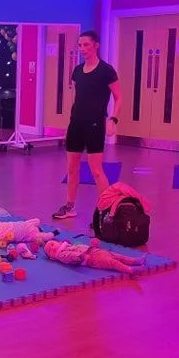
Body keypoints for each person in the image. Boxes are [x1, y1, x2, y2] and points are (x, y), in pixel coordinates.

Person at [52, 30, 122, 219]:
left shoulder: (106, 71)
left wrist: (113, 119)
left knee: (96, 170)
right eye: (80, 45)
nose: (82, 49)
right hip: (76, 123)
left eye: (86, 45)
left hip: (95, 124)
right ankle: (70, 206)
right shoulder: (77, 71)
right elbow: (77, 99)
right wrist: (69, 124)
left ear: (96, 45)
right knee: (72, 168)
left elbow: (119, 97)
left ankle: (105, 211)